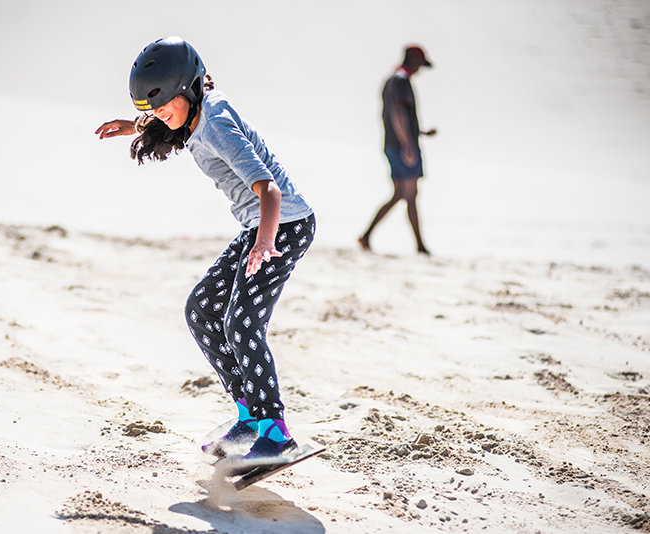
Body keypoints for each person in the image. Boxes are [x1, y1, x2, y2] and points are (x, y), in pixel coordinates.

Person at [95, 37, 315, 465]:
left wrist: (266, 242)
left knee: (241, 322)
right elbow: (178, 124)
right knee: (201, 309)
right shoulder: (194, 114)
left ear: (191, 89)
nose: (160, 116)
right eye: (152, 111)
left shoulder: (215, 122)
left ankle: (274, 430)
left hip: (282, 225)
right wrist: (135, 124)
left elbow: (268, 189)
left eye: (164, 107)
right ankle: (249, 417)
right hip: (259, 227)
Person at [359, 45, 436, 255]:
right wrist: (408, 145)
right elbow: (398, 113)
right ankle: (420, 246)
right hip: (401, 146)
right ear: (412, 60)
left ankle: (366, 235)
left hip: (393, 144)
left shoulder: (392, 79)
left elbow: (396, 115)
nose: (420, 69)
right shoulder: (401, 80)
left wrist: (418, 131)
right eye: (420, 63)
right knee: (410, 194)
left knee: (401, 194)